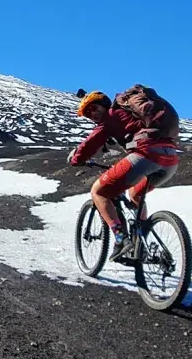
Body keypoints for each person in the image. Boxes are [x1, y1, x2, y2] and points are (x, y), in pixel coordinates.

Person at [67, 86, 180, 262]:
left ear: (104, 105)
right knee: (135, 194)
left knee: (99, 191)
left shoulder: (111, 116)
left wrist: (76, 159)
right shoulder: (128, 115)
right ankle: (139, 244)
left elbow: (89, 145)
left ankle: (121, 239)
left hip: (145, 155)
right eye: (88, 114)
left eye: (93, 108)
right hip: (170, 158)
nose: (92, 115)